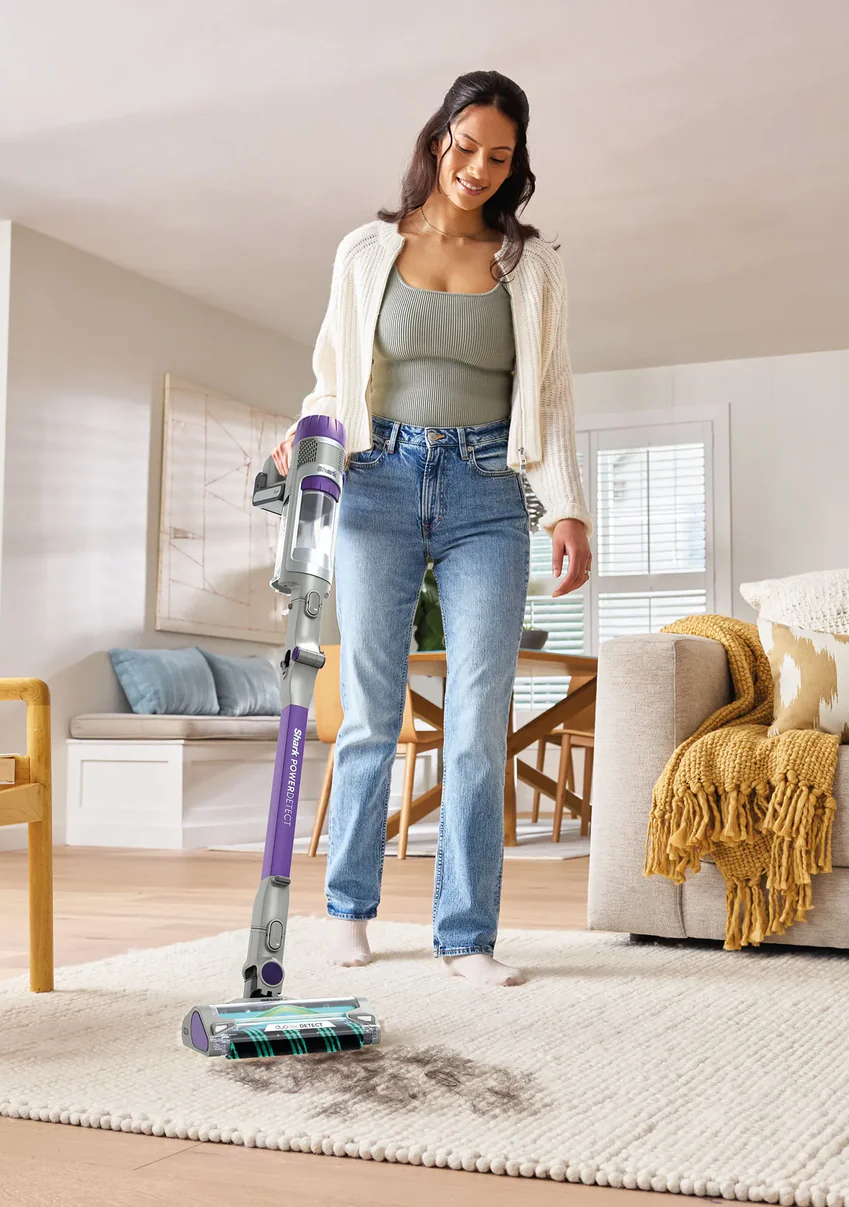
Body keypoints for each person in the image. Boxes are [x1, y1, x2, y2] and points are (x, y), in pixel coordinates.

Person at [271, 70, 593, 986]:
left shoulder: (532, 266)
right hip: (376, 482)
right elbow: (334, 374)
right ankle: (348, 909)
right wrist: (309, 433)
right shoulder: (366, 251)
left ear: (515, 162)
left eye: (499, 155)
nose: (477, 168)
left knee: (478, 718)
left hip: (489, 492)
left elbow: (556, 396)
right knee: (372, 711)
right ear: (436, 140)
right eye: (465, 147)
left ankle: (467, 936)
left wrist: (568, 504)